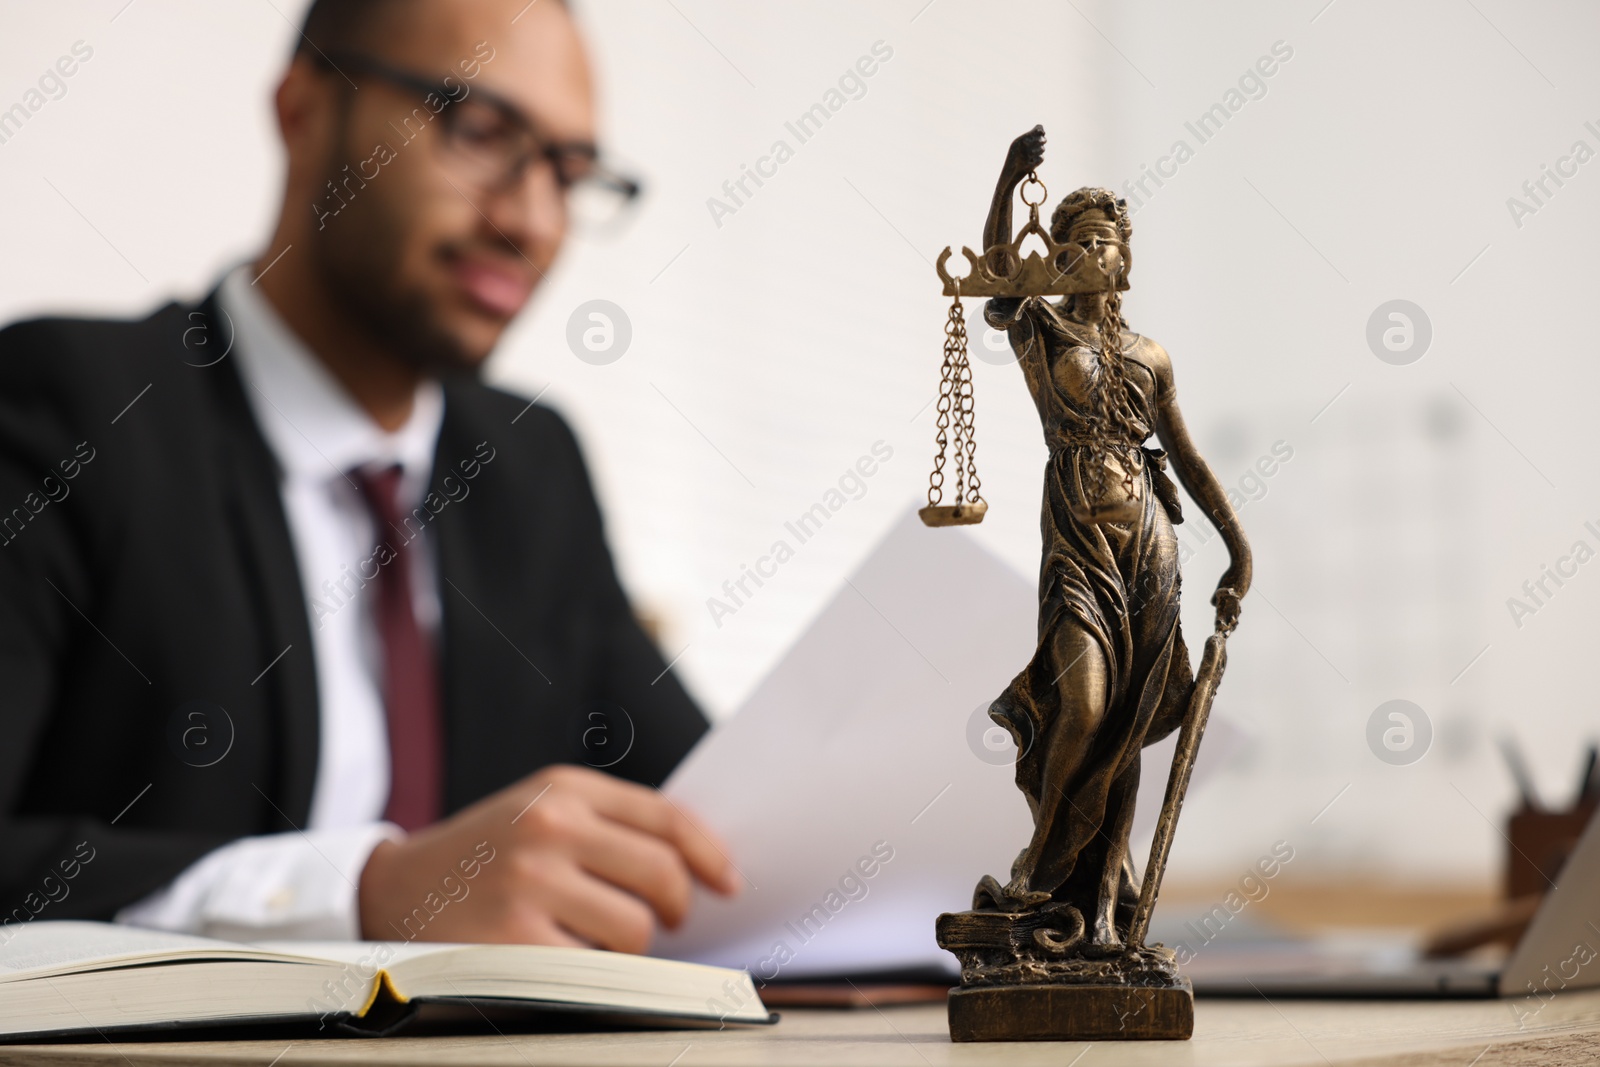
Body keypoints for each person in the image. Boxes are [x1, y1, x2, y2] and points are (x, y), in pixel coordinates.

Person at [0, 0, 739, 952]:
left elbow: (710, 822)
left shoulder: (529, 467)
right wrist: (362, 895)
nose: (531, 218)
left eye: (569, 171)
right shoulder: (71, 410)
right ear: (305, 108)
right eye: (481, 130)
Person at [976, 126, 1251, 948]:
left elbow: (1192, 462)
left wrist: (1240, 548)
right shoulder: (1040, 332)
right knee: (1085, 702)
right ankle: (1042, 863)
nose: (1095, 252)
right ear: (1056, 256)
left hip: (1150, 551)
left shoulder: (1148, 355)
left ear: (1125, 260)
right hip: (1076, 545)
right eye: (1078, 242)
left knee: (1127, 723)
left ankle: (1100, 907)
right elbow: (996, 275)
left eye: (1107, 242)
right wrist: (1006, 177)